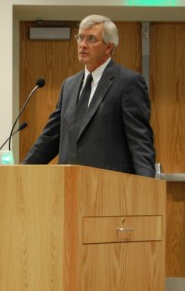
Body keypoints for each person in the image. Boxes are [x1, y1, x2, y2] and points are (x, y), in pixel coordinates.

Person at [22, 14, 156, 178]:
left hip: (109, 188)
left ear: (109, 47)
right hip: (68, 186)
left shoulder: (128, 83)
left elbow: (140, 141)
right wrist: (21, 171)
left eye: (91, 39)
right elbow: (51, 136)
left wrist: (147, 185)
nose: (82, 45)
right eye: (80, 38)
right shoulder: (69, 85)